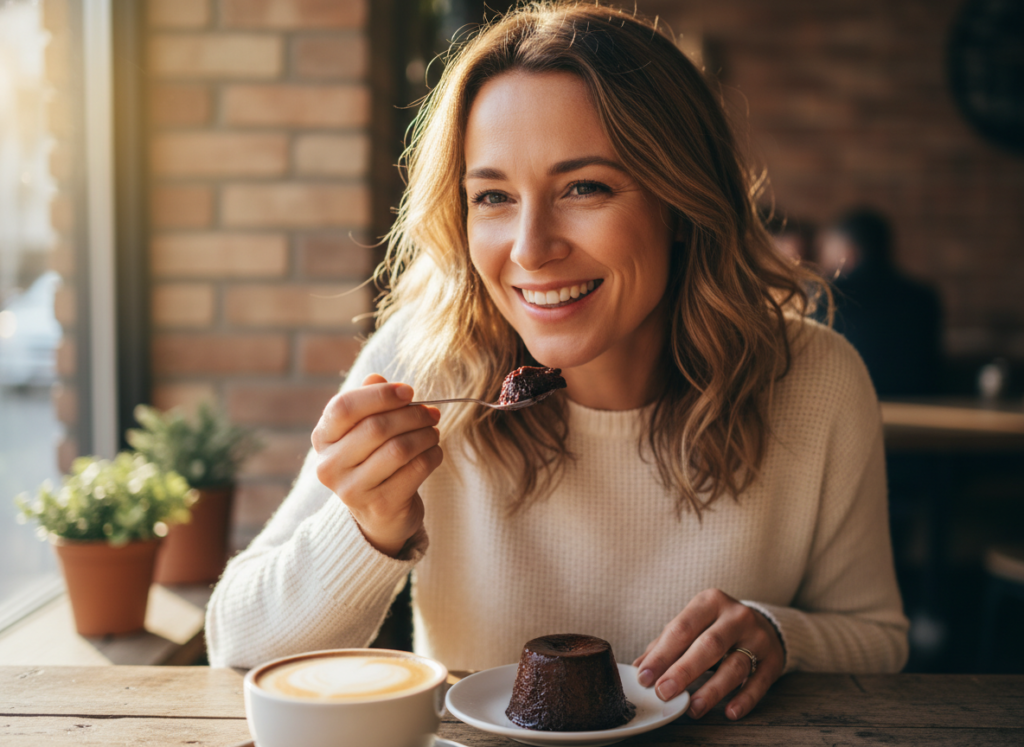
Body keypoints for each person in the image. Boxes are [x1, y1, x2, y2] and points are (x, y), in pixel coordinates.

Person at [207, 2, 908, 722]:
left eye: (584, 187)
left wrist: (780, 635)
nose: (531, 248)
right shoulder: (426, 363)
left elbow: (878, 639)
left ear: (682, 201)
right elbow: (235, 643)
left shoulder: (816, 381)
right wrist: (367, 526)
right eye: (494, 196)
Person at [818, 208, 943, 396]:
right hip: (918, 404)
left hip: (852, 401)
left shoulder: (829, 295)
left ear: (849, 249)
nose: (824, 255)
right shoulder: (924, 297)